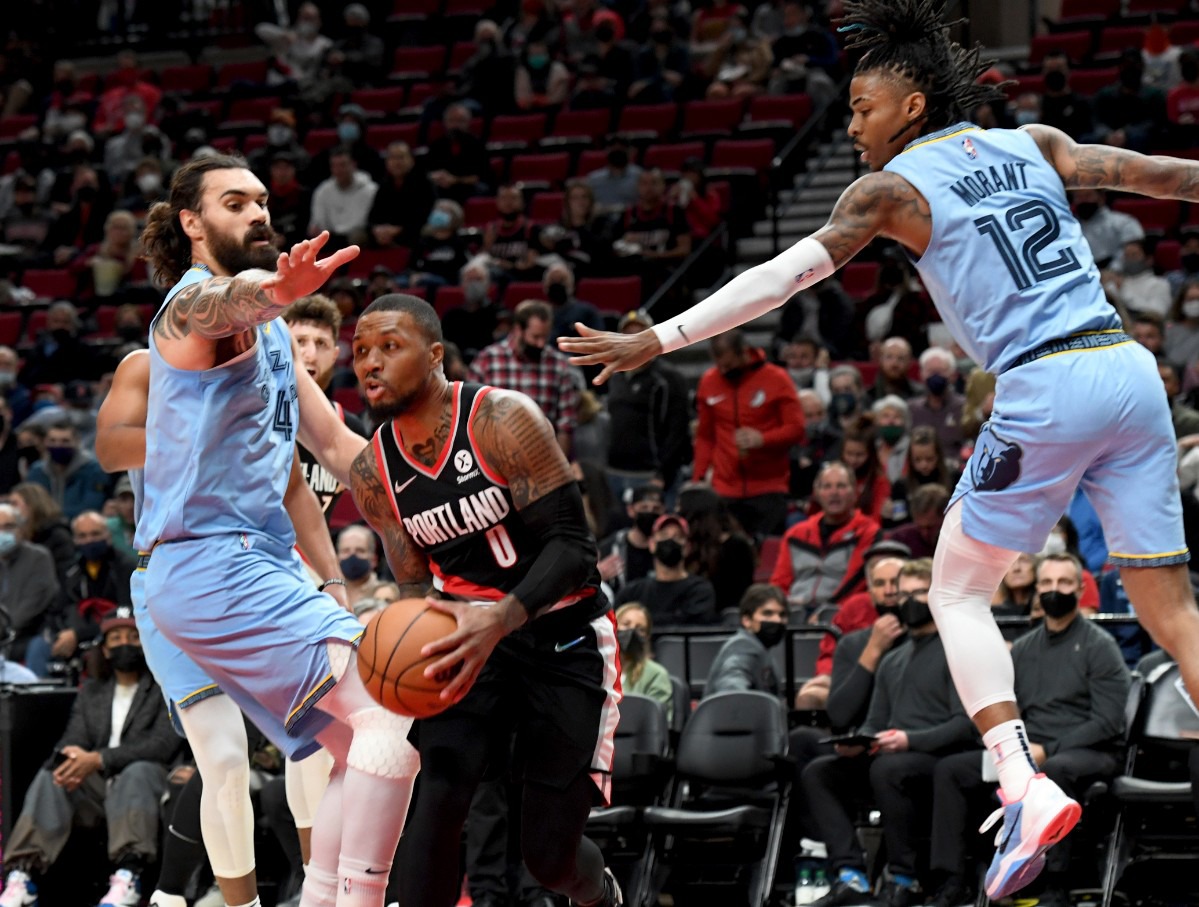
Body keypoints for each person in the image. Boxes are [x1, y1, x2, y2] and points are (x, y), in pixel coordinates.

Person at [560, 1, 1199, 898]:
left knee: (957, 588)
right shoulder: (1037, 143)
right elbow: (1162, 176)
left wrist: (656, 338)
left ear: (908, 107)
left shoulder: (890, 189)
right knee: (1169, 609)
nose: (852, 123)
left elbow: (779, 278)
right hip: (1127, 370)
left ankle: (1019, 780)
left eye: (862, 106)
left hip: (1042, 382)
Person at [132, 154, 419, 907]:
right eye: (234, 202)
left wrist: (447, 480)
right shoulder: (187, 309)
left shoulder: (277, 340)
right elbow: (221, 308)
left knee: (358, 749)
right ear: (192, 222)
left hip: (255, 565)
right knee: (376, 721)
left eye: (262, 200)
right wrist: (276, 289)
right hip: (206, 563)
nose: (258, 213)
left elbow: (335, 449)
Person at [294, 293, 623, 907]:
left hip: (565, 639)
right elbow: (417, 588)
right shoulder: (373, 474)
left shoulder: (501, 419)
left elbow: (575, 548)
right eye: (361, 351)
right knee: (440, 790)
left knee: (548, 857)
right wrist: (409, 645)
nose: (369, 363)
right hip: (472, 650)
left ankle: (599, 893)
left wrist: (499, 617)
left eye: (389, 347)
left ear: (436, 355)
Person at [928, 552, 1130, 907]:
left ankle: (1054, 884)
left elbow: (1109, 720)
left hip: (1087, 751)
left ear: (1081, 589)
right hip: (1027, 751)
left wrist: (1048, 748)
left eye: (1065, 583)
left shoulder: (1101, 646)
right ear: (1037, 590)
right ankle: (952, 880)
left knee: (1054, 771)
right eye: (1048, 583)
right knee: (951, 770)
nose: (1055, 590)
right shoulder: (1021, 649)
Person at [803, 559, 976, 907]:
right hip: (895, 755)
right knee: (820, 772)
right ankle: (851, 873)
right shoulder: (892, 661)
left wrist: (909, 740)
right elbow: (875, 721)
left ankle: (904, 878)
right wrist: (859, 743)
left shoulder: (959, 648)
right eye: (905, 593)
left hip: (941, 758)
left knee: (887, 769)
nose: (911, 601)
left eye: (920, 592)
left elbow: (966, 724)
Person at [0, 606, 182, 907]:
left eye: (134, 637)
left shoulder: (164, 689)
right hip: (98, 790)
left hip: (148, 784)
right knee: (54, 776)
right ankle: (23, 875)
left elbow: (161, 746)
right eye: (116, 638)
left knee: (137, 772)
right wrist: (69, 756)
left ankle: (129, 874)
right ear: (105, 649)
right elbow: (74, 737)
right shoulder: (93, 692)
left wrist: (97, 759)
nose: (125, 644)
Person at [693, 329, 805, 537]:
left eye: (728, 365)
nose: (723, 371)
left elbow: (796, 429)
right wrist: (699, 476)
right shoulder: (709, 381)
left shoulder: (776, 379)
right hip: (725, 487)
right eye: (719, 365)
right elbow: (705, 436)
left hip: (769, 486)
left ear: (744, 353)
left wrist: (763, 439)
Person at [281, 294, 369, 518]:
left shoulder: (349, 427)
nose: (309, 355)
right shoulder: (254, 412)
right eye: (299, 341)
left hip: (309, 552)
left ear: (335, 355)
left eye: (321, 344)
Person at [469, 300, 581, 456]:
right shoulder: (486, 361)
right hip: (494, 456)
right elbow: (469, 416)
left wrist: (559, 470)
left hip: (542, 458)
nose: (541, 344)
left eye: (545, 337)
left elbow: (566, 425)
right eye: (535, 337)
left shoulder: (559, 366)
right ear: (518, 330)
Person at [772, 461, 881, 615]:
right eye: (827, 486)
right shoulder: (796, 535)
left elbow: (856, 583)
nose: (834, 492)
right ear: (816, 493)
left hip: (841, 612)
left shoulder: (868, 532)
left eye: (841, 486)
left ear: (855, 492)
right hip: (794, 611)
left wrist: (825, 611)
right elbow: (779, 583)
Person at [614, 513, 718, 626]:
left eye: (677, 537)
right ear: (652, 544)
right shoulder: (632, 593)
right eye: (664, 535)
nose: (670, 540)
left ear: (687, 548)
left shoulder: (700, 591)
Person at [704, 583, 786, 696]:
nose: (777, 620)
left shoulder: (759, 647)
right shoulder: (743, 648)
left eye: (782, 615)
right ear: (747, 620)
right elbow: (731, 688)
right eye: (768, 613)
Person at [25, 421, 114, 519]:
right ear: (45, 442)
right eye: (52, 441)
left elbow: (92, 506)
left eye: (65, 441)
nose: (58, 445)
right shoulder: (37, 471)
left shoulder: (94, 470)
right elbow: (30, 505)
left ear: (77, 441)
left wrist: (53, 517)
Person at [614, 602, 673, 720]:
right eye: (626, 624)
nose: (631, 632)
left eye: (640, 629)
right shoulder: (595, 668)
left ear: (646, 637)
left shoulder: (656, 674)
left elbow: (658, 723)